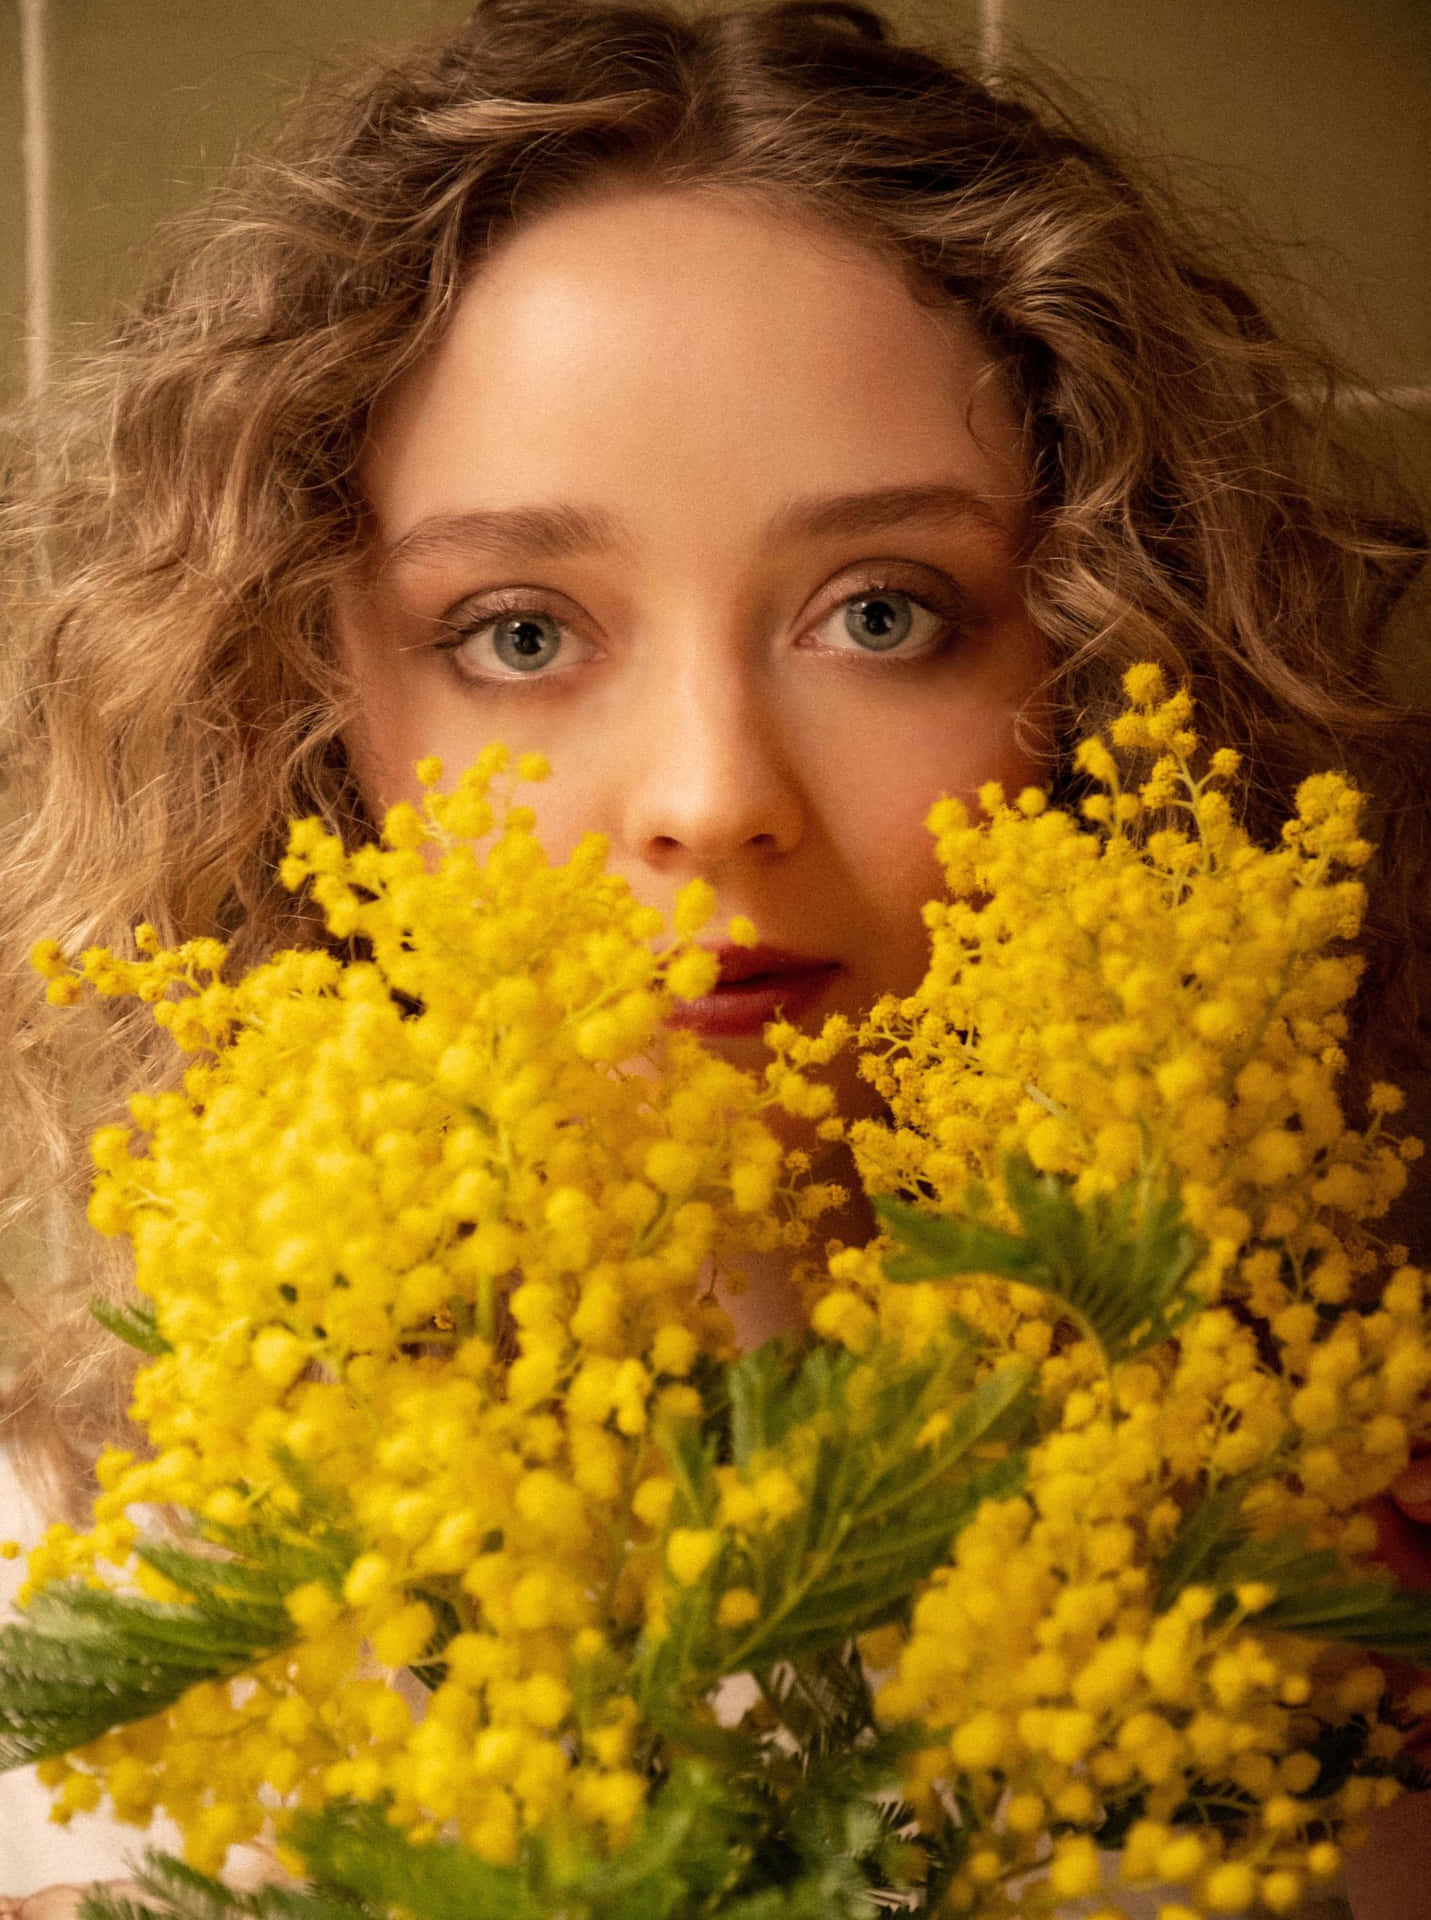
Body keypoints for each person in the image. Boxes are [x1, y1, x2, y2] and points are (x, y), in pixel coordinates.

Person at [0, 0, 1427, 1907]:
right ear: (304, 695)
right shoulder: (90, 1584)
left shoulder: (1324, 1590)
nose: (709, 797)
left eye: (882, 612)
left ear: (1103, 659)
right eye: (517, 632)